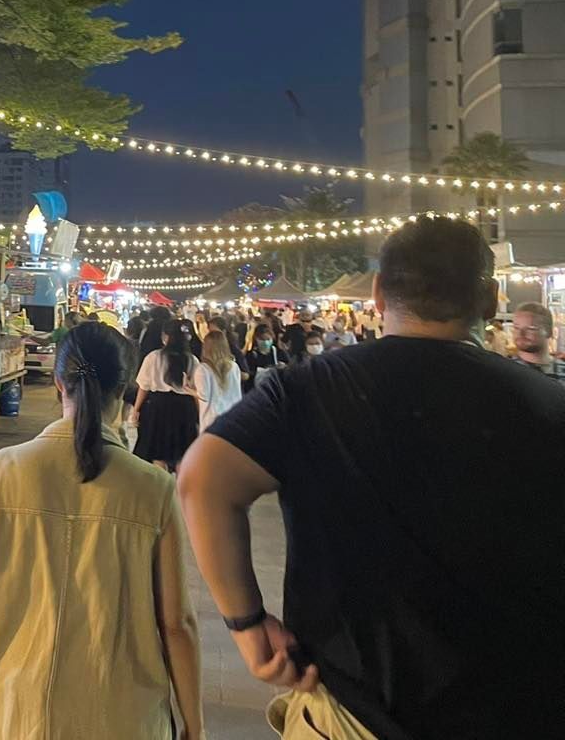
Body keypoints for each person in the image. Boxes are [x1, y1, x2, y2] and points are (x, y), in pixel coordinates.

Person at [178, 217, 565, 739]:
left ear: (379, 293)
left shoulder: (309, 390)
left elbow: (202, 480)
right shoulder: (548, 404)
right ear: (491, 299)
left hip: (352, 710)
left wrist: (247, 625)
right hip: (518, 708)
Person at [0, 323, 203, 740]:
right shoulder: (153, 488)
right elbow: (177, 624)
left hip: (20, 704)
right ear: (125, 389)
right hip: (123, 710)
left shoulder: (1, 472)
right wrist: (194, 724)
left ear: (60, 383)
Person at [131, 326, 203, 471]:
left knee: (158, 451)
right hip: (184, 407)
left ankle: (164, 487)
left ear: (166, 337)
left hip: (158, 407)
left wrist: (136, 409)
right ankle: (179, 489)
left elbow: (144, 386)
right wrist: (199, 414)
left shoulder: (154, 357)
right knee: (182, 450)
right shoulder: (192, 359)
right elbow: (197, 389)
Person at [195, 330, 242, 431]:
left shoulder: (203, 369)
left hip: (211, 420)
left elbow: (203, 396)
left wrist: (189, 390)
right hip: (234, 417)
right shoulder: (234, 366)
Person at [511, 301, 565, 381]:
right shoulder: (504, 371)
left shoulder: (563, 371)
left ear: (549, 332)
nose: (521, 334)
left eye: (531, 328)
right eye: (516, 328)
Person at [242, 322, 288, 396]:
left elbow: (288, 369)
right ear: (256, 339)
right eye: (262, 339)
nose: (265, 342)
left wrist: (284, 367)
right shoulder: (251, 355)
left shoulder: (279, 353)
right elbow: (248, 377)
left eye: (268, 339)